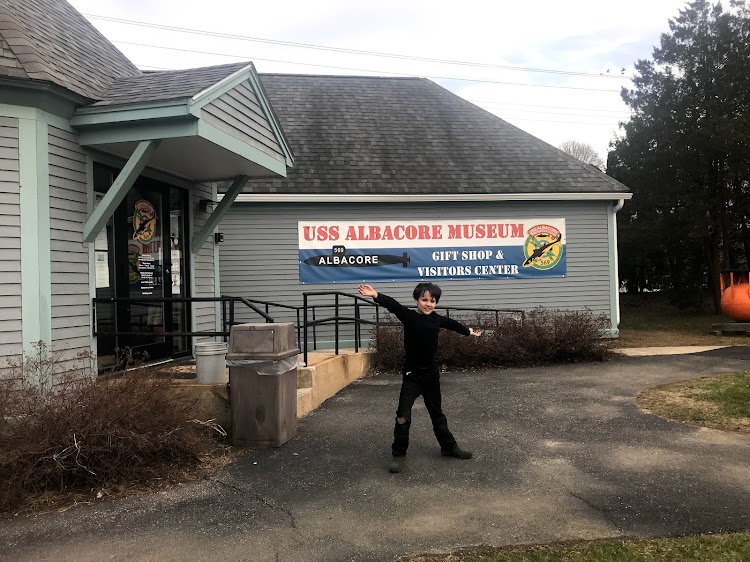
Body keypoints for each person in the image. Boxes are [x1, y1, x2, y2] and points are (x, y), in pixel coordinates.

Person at [357, 282, 482, 473]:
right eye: (424, 300)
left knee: (437, 413)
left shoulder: (436, 319)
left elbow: (452, 324)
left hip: (431, 376)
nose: (428, 304)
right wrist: (376, 295)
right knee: (402, 416)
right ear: (416, 300)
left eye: (432, 301)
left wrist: (468, 332)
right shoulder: (409, 316)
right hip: (412, 376)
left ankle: (448, 447)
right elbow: (393, 305)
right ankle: (398, 455)